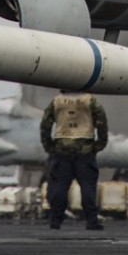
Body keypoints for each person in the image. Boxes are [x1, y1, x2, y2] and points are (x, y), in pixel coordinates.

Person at [40, 90, 108, 231]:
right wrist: (99, 144)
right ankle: (91, 221)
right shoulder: (91, 100)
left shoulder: (56, 101)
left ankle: (55, 221)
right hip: (85, 150)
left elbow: (45, 124)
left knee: (59, 187)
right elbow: (102, 122)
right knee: (88, 187)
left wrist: (49, 146)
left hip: (61, 150)